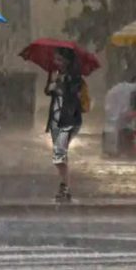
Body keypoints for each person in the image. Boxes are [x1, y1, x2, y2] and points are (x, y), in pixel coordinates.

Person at [45, 47, 83, 203]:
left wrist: (61, 85)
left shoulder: (74, 77)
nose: (57, 62)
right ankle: (64, 186)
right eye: (55, 59)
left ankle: (65, 187)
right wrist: (52, 84)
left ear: (67, 61)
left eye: (60, 59)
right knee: (59, 154)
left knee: (59, 153)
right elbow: (47, 91)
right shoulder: (54, 74)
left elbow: (74, 95)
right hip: (55, 118)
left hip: (69, 119)